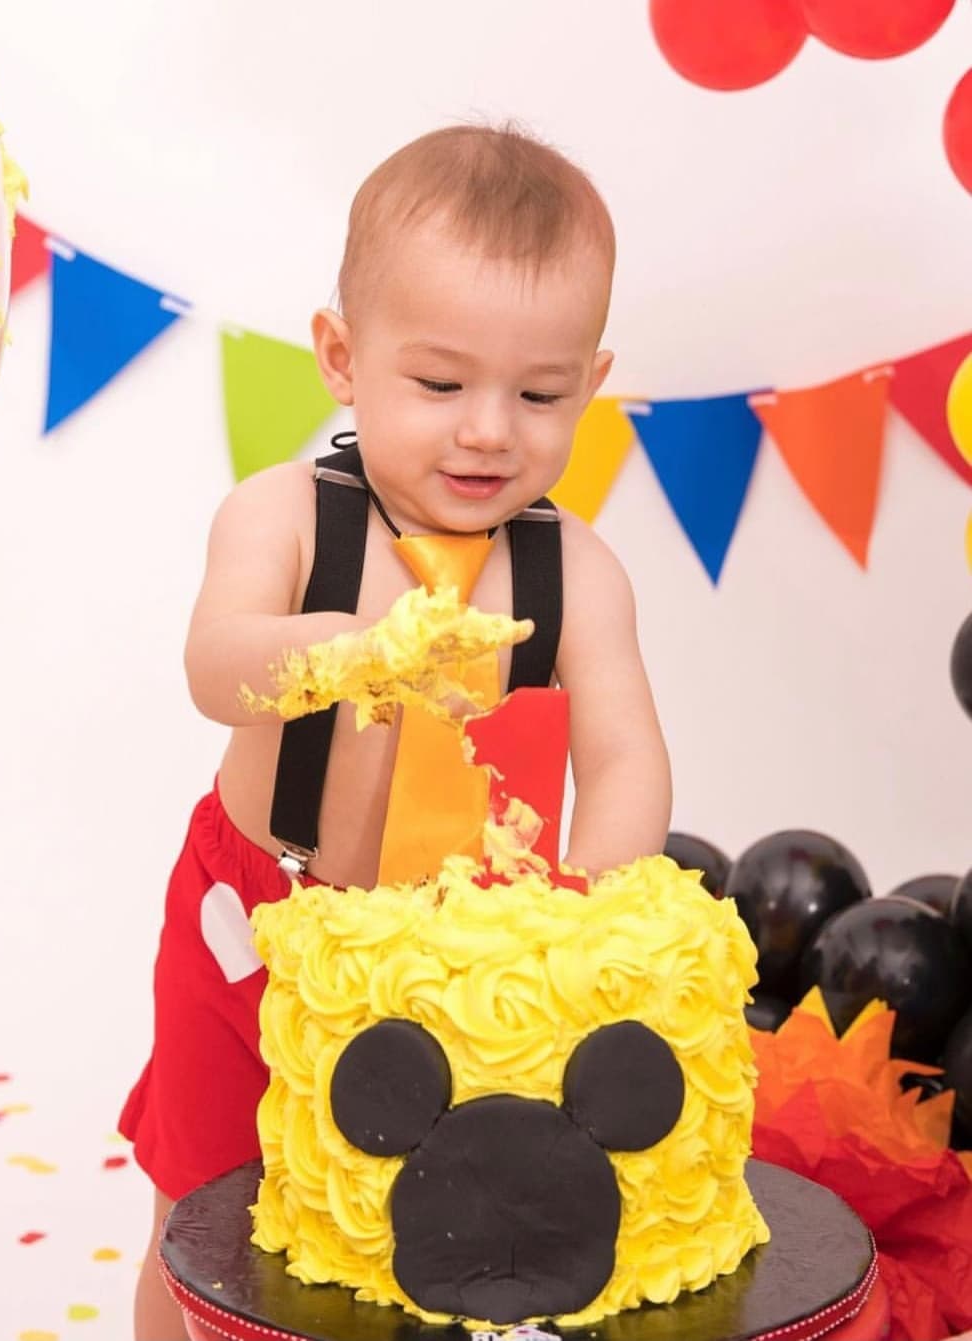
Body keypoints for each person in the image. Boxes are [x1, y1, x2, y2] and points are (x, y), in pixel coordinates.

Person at [121, 121, 672, 1339]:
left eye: (539, 395)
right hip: (256, 916)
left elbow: (626, 755)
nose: (489, 430)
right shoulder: (284, 520)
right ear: (341, 356)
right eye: (440, 384)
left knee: (408, 1223)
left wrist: (588, 906)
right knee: (202, 1197)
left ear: (591, 381)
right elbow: (215, 667)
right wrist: (348, 654)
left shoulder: (576, 573)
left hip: (456, 959)